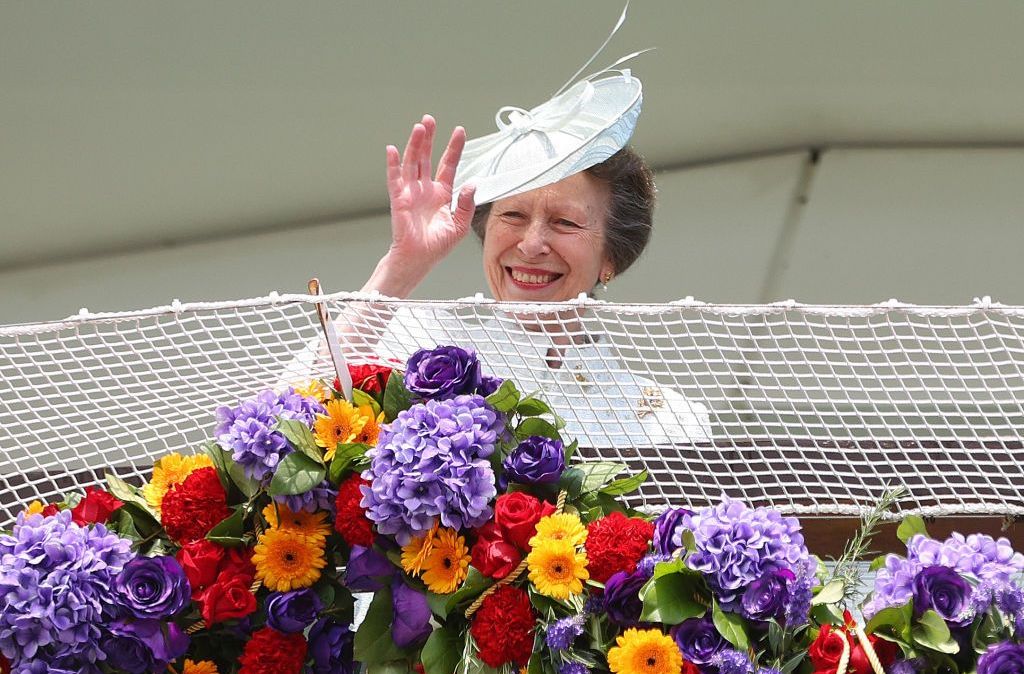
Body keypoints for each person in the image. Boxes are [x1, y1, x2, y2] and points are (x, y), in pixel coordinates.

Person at [302, 65, 712, 447]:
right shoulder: (412, 344)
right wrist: (402, 266)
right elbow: (289, 419)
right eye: (513, 215)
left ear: (612, 258)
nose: (531, 244)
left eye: (565, 223)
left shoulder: (667, 419)